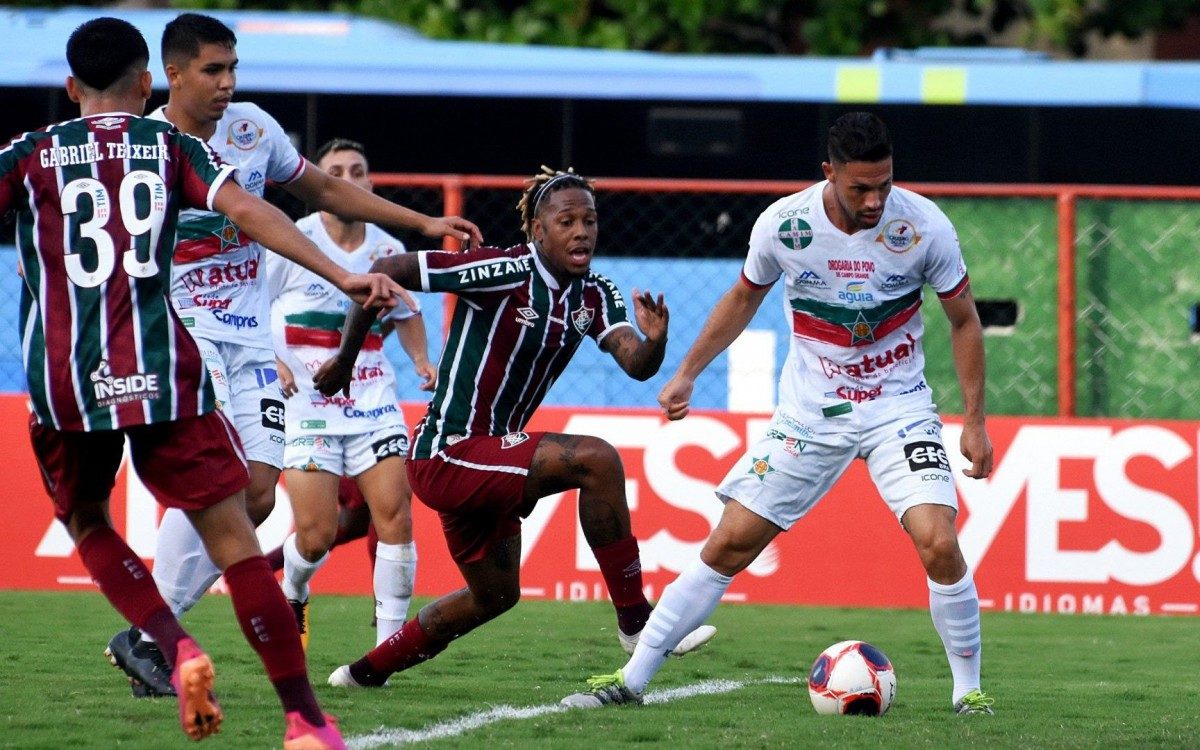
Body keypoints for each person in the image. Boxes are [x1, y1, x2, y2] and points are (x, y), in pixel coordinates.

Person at [0, 18, 403, 747]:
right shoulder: (169, 147)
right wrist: (343, 272)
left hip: (67, 384)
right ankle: (305, 720)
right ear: (152, 80)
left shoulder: (24, 157)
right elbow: (252, 208)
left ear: (69, 88)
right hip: (168, 364)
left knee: (91, 519)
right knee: (238, 542)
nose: (226, 83)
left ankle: (169, 641)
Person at [561, 112, 996, 715]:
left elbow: (964, 320)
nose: (875, 201)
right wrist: (686, 372)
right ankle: (631, 679)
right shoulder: (785, 225)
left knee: (939, 543)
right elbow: (743, 297)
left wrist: (974, 420)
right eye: (860, 188)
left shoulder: (925, 226)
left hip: (899, 409)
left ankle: (969, 692)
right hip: (810, 414)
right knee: (730, 543)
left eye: (884, 185)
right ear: (829, 174)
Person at [105, 12, 481, 698]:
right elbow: (247, 216)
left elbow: (325, 190)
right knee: (218, 484)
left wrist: (422, 221)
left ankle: (142, 639)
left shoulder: (252, 127)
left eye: (233, 68)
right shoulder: (145, 145)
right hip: (183, 331)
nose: (227, 83)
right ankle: (153, 635)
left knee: (252, 497)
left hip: (250, 338)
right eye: (213, 71)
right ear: (174, 74)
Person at [315, 167, 716, 689]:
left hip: (490, 460)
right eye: (566, 221)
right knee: (597, 459)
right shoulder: (500, 270)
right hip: (447, 453)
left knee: (496, 596)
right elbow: (387, 267)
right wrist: (346, 359)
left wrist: (656, 340)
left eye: (589, 221)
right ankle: (637, 623)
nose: (581, 232)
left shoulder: (595, 294)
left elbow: (636, 364)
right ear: (538, 232)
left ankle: (362, 674)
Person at [267, 137, 436, 649]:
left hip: (372, 400)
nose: (346, 178)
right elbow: (249, 308)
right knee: (316, 535)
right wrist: (273, 361)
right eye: (334, 171)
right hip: (306, 404)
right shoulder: (290, 241)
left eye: (356, 171)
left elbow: (407, 313)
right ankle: (294, 587)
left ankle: (390, 647)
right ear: (317, 186)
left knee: (397, 516)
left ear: (368, 184)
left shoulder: (388, 251)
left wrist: (421, 359)